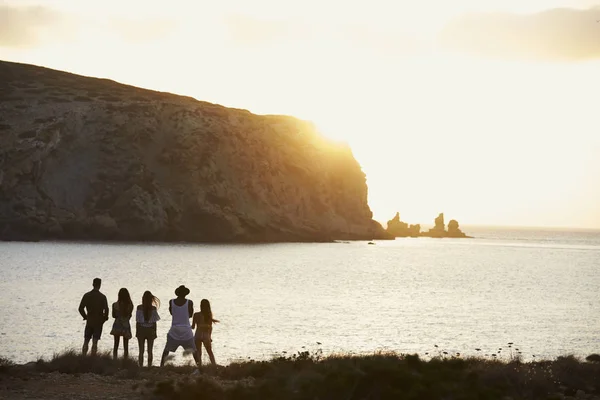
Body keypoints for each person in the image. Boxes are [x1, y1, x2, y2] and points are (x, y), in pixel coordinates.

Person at [160, 285, 200, 367]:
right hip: (186, 330)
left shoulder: (171, 302)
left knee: (167, 349)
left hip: (174, 329)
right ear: (185, 294)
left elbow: (172, 313)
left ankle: (161, 366)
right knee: (194, 350)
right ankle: (199, 366)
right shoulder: (189, 302)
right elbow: (190, 315)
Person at [78, 278, 109, 356]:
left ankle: (83, 357)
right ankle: (93, 359)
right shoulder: (102, 297)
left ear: (93, 284)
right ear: (100, 285)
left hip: (90, 321)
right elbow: (106, 309)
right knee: (95, 342)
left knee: (86, 340)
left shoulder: (87, 295)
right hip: (98, 322)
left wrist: (85, 316)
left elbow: (80, 308)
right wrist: (104, 319)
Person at [136, 291, 161, 367]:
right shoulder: (153, 308)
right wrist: (155, 332)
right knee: (150, 350)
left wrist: (137, 331)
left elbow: (138, 321)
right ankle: (149, 366)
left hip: (141, 329)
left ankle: (140, 366)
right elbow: (154, 322)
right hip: (150, 330)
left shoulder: (139, 307)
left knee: (141, 351)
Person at [192, 299, 219, 366]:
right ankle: (214, 365)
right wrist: (209, 337)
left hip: (198, 334)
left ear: (200, 305)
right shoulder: (208, 315)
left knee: (198, 353)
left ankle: (200, 367)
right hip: (206, 335)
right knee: (210, 352)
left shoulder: (196, 315)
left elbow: (193, 327)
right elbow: (210, 327)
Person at [110, 288, 133, 359]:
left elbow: (113, 315)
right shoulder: (130, 305)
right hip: (126, 325)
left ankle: (115, 359)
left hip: (117, 324)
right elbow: (130, 315)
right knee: (126, 346)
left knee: (116, 345)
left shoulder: (114, 305)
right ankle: (125, 360)